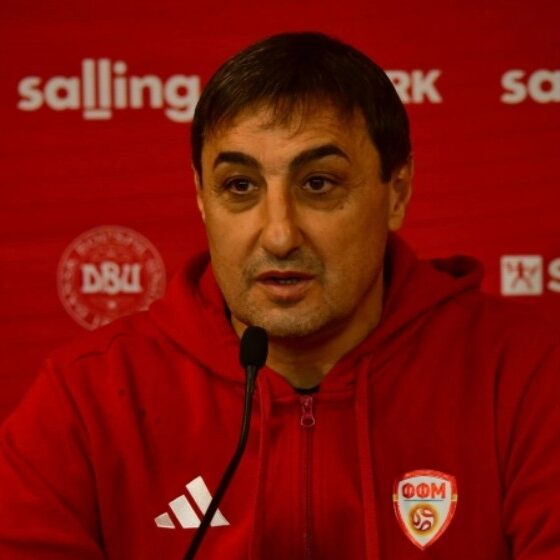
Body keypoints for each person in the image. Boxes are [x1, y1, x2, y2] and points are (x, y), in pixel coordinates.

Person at [1, 32, 559, 560]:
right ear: (201, 198)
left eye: (318, 183)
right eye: (240, 186)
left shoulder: (528, 374)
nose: (279, 234)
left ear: (397, 192)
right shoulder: (86, 398)